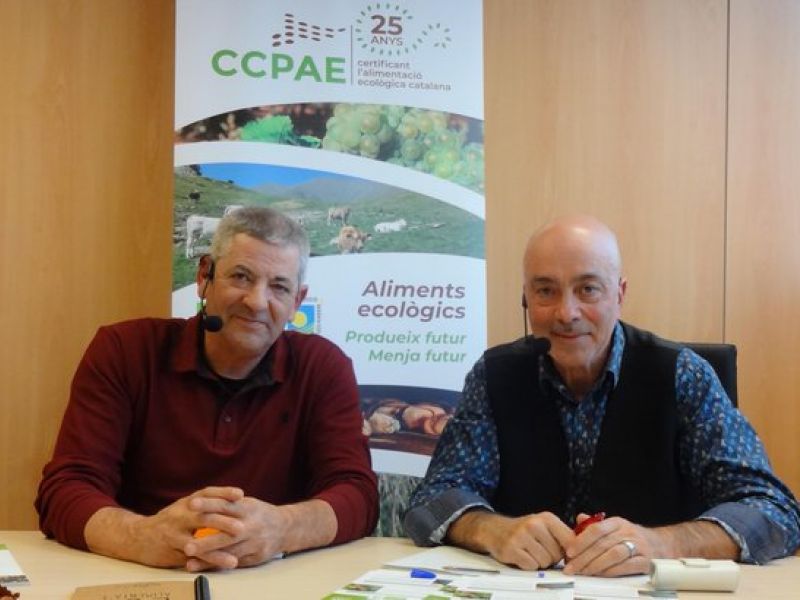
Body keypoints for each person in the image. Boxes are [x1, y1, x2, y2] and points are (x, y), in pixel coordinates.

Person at [404, 214, 800, 577]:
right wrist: (491, 530)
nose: (567, 312)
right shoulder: (494, 375)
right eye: (546, 291)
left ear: (619, 294)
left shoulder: (683, 375)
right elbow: (432, 499)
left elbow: (772, 509)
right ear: (526, 298)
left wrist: (662, 543)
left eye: (588, 289)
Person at [36, 206, 378, 571]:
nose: (256, 302)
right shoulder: (124, 351)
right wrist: (141, 535)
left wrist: (282, 528)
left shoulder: (323, 367)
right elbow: (66, 488)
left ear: (297, 301)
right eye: (241, 277)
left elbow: (357, 494)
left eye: (279, 287)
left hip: (271, 581)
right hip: (140, 575)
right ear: (204, 277)